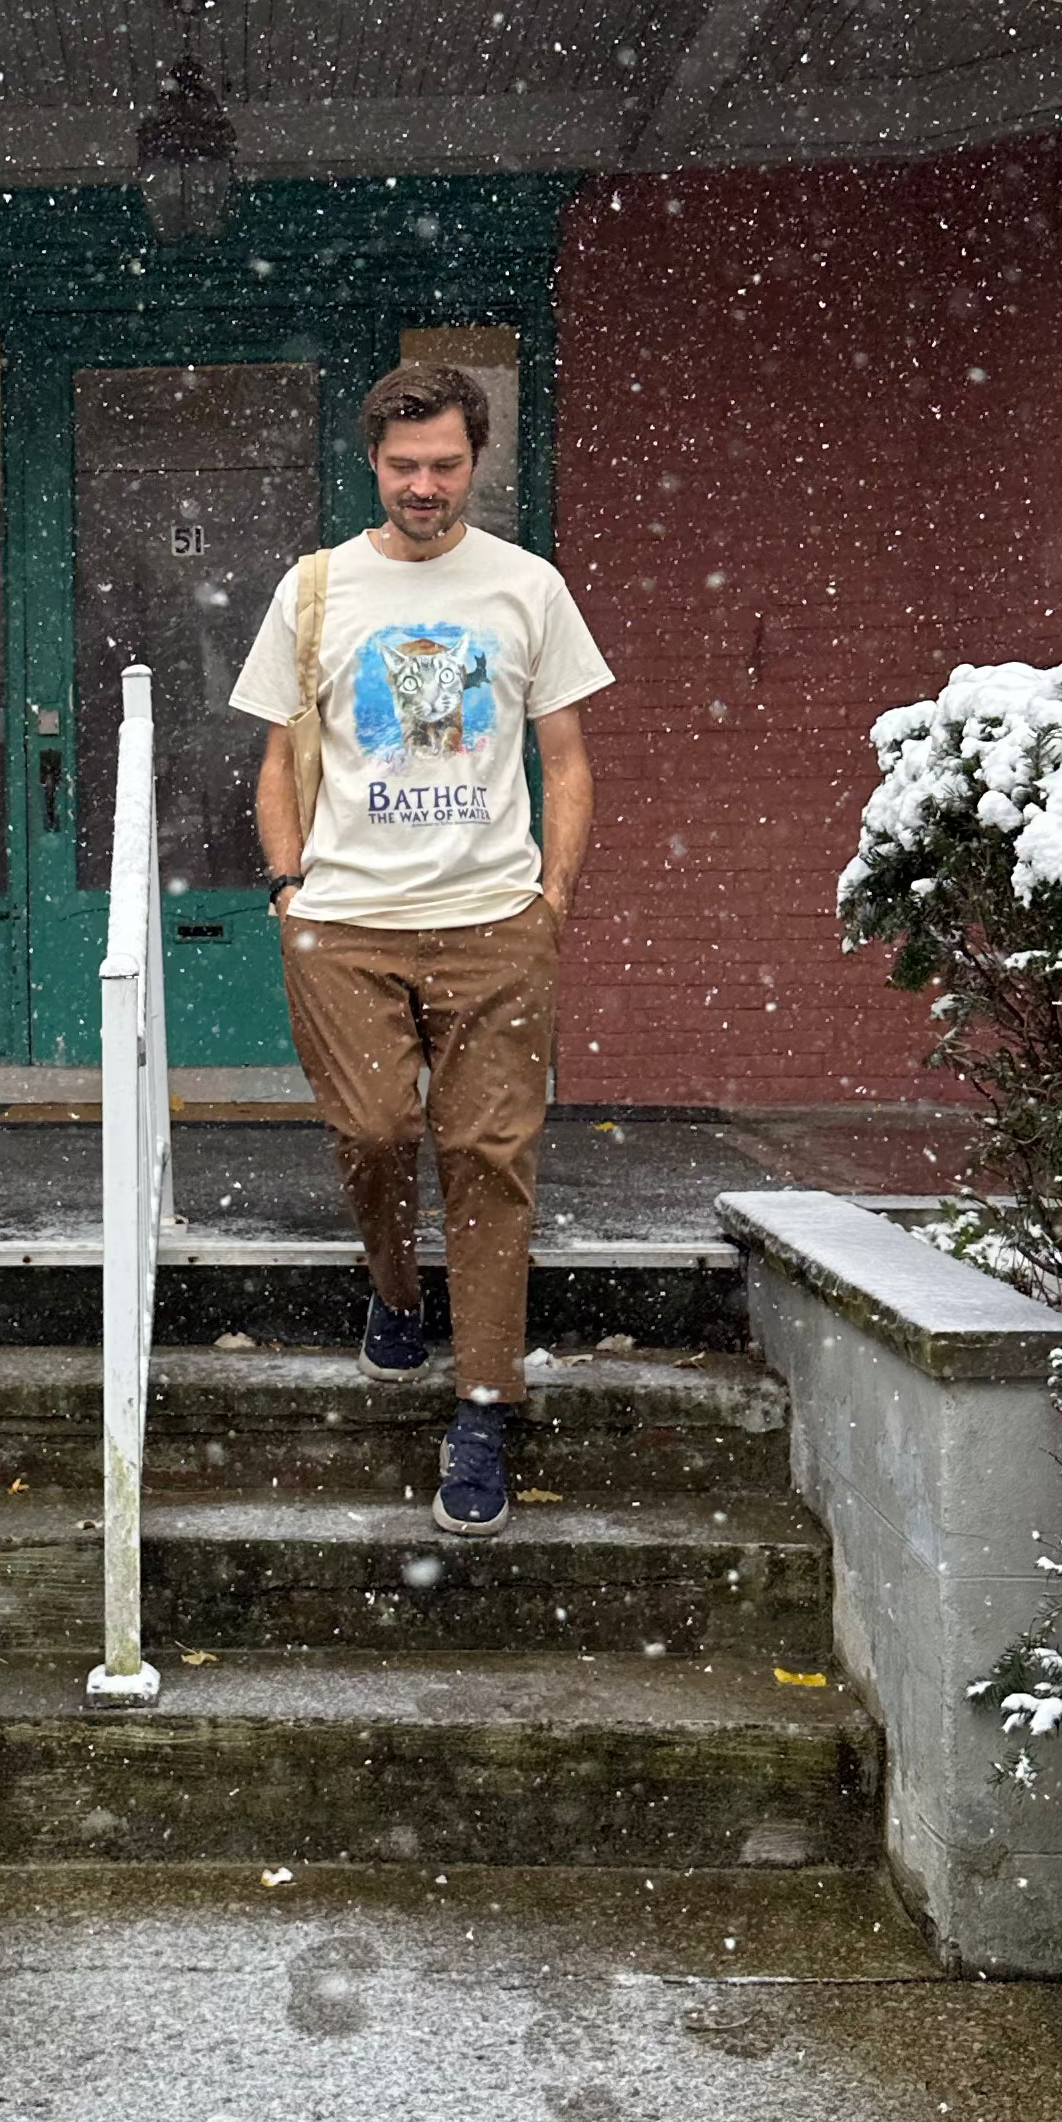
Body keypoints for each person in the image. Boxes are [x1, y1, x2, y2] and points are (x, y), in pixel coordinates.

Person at [229, 360, 613, 1537]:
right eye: (405, 466)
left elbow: (567, 762)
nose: (426, 486)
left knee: (491, 1159)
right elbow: (278, 763)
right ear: (374, 464)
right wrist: (292, 892)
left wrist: (550, 894)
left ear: (474, 459)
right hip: (344, 924)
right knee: (374, 1129)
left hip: (495, 925)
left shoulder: (527, 588)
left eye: (446, 464)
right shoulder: (316, 590)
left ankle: (484, 1407)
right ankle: (397, 1294)